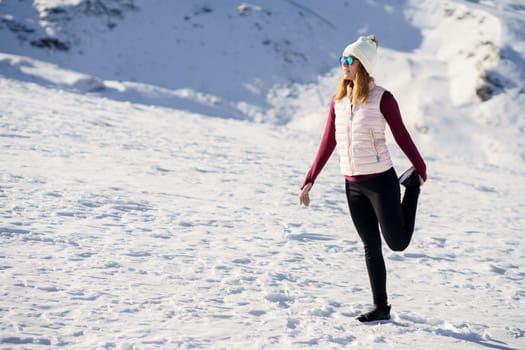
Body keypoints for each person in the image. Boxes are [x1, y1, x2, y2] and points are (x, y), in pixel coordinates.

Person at [298, 35, 427, 322]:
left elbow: (401, 134)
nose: (343, 65)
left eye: (349, 60)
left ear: (362, 64)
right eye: (342, 59)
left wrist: (419, 167)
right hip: (353, 185)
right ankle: (381, 307)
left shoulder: (383, 98)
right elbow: (328, 141)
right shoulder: (338, 101)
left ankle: (412, 189)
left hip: (381, 182)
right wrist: (311, 178)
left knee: (397, 243)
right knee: (370, 246)